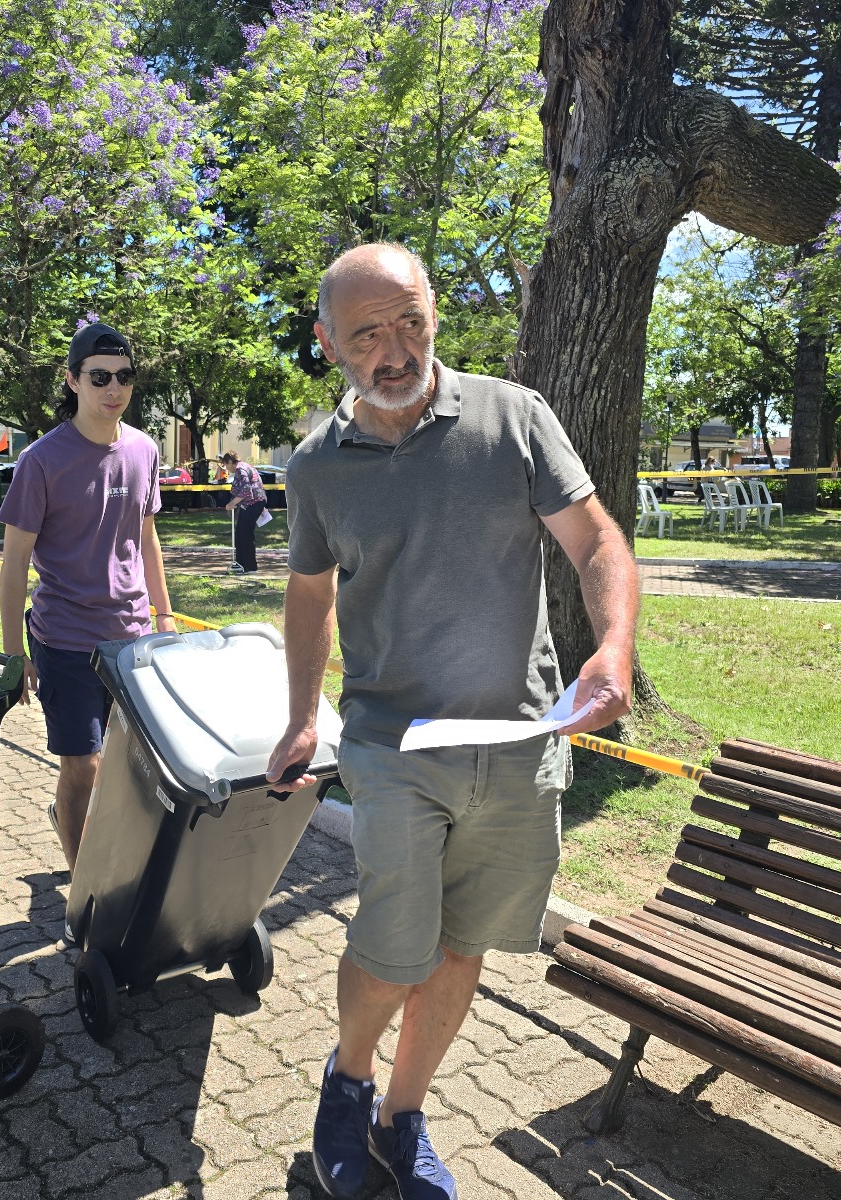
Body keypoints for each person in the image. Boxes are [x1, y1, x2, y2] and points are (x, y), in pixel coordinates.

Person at [264, 245, 637, 1200]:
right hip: (393, 745)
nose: (395, 352)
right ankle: (348, 1080)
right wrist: (303, 718)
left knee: (464, 944)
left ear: (434, 315)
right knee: (396, 946)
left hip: (518, 744)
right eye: (367, 335)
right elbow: (309, 594)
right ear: (327, 343)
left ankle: (403, 1112)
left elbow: (596, 539)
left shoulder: (514, 417)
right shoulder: (316, 466)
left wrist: (613, 646)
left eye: (411, 323)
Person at [0, 323, 175, 870]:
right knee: (84, 766)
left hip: (132, 640)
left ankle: (100, 850)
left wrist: (164, 615)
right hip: (66, 640)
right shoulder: (41, 460)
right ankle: (83, 884)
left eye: (124, 377)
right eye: (99, 377)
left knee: (126, 765)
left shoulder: (144, 448)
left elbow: (146, 537)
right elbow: (14, 564)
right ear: (73, 380)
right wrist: (13, 654)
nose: (113, 388)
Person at [220, 450, 268, 574]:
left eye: (226, 465)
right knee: (240, 533)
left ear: (230, 461)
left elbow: (246, 490)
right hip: (255, 502)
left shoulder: (240, 470)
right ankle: (241, 564)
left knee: (245, 534)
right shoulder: (246, 466)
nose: (226, 468)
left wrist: (232, 503)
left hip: (252, 503)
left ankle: (250, 567)